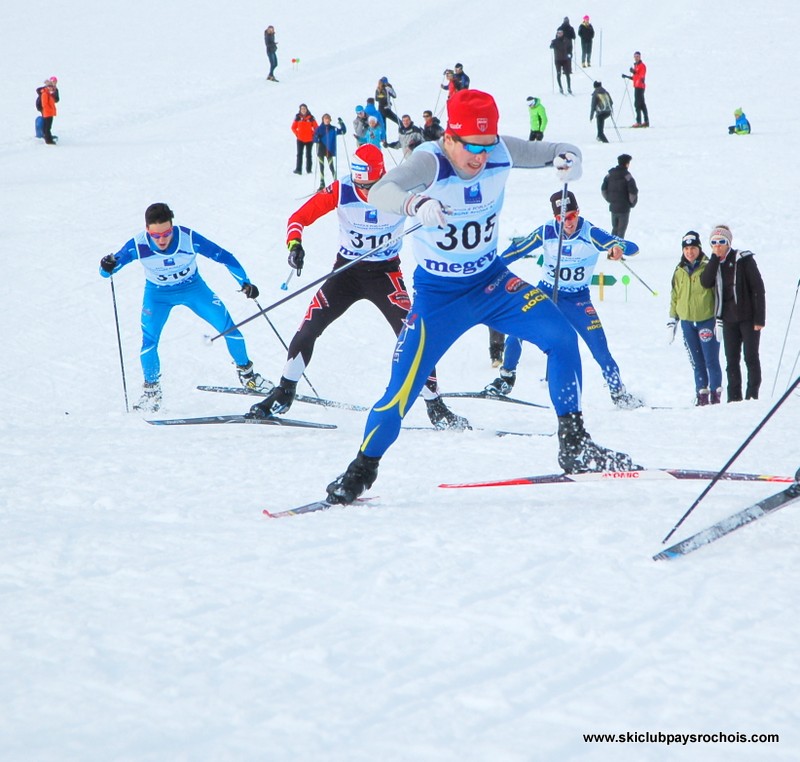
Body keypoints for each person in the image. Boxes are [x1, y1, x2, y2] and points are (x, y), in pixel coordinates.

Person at [323, 89, 638, 505]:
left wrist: (569, 158)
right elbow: (382, 191)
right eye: (472, 147)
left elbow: (556, 150)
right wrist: (414, 203)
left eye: (487, 147)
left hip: (492, 283)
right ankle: (362, 468)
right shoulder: (429, 160)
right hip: (439, 297)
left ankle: (575, 444)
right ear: (450, 137)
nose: (480, 158)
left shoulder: (499, 150)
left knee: (562, 337)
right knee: (402, 389)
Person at [246, 144, 468, 431]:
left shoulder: (400, 188)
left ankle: (436, 406)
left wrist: (442, 213)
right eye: (360, 183)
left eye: (370, 185)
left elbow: (438, 204)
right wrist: (295, 245)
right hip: (346, 273)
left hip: (384, 274)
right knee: (308, 329)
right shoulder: (341, 189)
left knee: (413, 336)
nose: (364, 190)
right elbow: (298, 218)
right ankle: (284, 391)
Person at [98, 203, 269, 412]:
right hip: (158, 295)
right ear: (147, 231)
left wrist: (245, 283)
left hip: (194, 289)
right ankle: (151, 393)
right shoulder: (138, 244)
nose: (161, 240)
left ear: (173, 226)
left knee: (231, 330)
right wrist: (106, 265)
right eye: (155, 235)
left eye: (167, 233)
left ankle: (248, 377)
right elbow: (107, 271)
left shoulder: (188, 238)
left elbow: (225, 257)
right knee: (148, 343)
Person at [486, 190, 643, 410]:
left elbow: (632, 247)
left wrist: (617, 248)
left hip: (577, 299)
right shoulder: (547, 231)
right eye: (561, 219)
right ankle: (505, 379)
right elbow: (518, 249)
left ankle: (619, 394)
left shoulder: (591, 233)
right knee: (516, 332)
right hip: (546, 294)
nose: (567, 223)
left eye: (570, 217)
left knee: (599, 348)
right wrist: (492, 269)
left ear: (577, 213)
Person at [700, 225, 766, 402]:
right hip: (728, 319)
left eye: (722, 242)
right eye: (714, 243)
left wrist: (760, 318)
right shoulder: (713, 263)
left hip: (748, 317)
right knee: (731, 361)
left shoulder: (743, 260)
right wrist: (714, 259)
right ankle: (734, 397)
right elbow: (706, 282)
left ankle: (752, 395)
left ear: (729, 243)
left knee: (751, 357)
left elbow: (758, 289)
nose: (718, 246)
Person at [668, 231, 723, 406]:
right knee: (696, 361)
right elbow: (675, 295)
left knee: (710, 360)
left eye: (693, 248)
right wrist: (672, 319)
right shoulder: (679, 270)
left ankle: (715, 394)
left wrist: (719, 318)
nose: (689, 252)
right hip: (687, 322)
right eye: (686, 249)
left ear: (699, 248)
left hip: (706, 320)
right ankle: (702, 394)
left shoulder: (709, 266)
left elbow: (718, 293)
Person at [601, 154, 638, 237]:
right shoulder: (627, 176)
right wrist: (632, 203)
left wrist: (610, 199)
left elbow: (603, 189)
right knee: (621, 231)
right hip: (624, 208)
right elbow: (633, 192)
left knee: (614, 229)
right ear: (627, 164)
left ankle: (611, 247)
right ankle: (619, 249)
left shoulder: (609, 175)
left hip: (613, 207)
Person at [313, 114, 346, 189]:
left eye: (328, 119)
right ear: (323, 120)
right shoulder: (319, 129)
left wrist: (341, 123)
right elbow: (314, 138)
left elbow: (343, 131)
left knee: (331, 167)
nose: (327, 120)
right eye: (325, 119)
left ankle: (335, 181)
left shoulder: (333, 129)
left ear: (330, 120)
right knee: (321, 167)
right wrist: (316, 138)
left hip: (329, 150)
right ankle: (322, 183)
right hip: (321, 150)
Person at [622, 51, 648, 127]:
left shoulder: (642, 66)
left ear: (640, 57)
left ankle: (639, 121)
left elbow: (641, 76)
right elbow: (635, 77)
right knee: (642, 104)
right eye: (635, 56)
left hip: (639, 87)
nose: (636, 58)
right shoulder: (636, 66)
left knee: (637, 104)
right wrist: (627, 76)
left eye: (637, 56)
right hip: (637, 86)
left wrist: (634, 72)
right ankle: (646, 121)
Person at [292, 104, 318, 175]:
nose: (303, 110)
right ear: (300, 110)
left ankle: (309, 170)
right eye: (302, 109)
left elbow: (316, 127)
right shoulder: (297, 117)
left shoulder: (311, 118)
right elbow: (293, 127)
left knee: (308, 155)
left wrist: (313, 134)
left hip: (309, 139)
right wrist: (297, 134)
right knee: (299, 154)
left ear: (307, 109)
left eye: (304, 108)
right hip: (300, 139)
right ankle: (298, 169)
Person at [550, 30, 573, 95]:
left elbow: (570, 48)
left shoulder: (566, 40)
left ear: (563, 33)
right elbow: (551, 46)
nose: (559, 34)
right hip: (558, 60)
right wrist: (552, 45)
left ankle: (569, 87)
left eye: (560, 33)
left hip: (565, 59)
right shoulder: (554, 41)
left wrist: (570, 54)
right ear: (557, 34)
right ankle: (560, 87)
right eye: (558, 33)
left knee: (567, 74)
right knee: (558, 74)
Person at [38, 77, 59, 145]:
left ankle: (48, 138)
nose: (51, 88)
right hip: (48, 113)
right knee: (47, 127)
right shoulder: (45, 93)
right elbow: (45, 104)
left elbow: (56, 99)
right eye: (50, 86)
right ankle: (49, 140)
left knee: (47, 127)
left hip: (48, 112)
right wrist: (49, 110)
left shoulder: (48, 93)